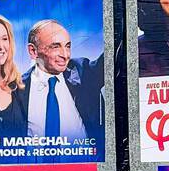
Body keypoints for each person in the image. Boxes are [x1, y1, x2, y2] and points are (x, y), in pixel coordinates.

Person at [15, 19, 107, 147]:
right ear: (33, 51)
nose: (65, 54)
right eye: (55, 46)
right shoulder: (17, 90)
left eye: (68, 46)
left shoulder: (83, 72)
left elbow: (115, 54)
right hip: (36, 166)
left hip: (85, 165)